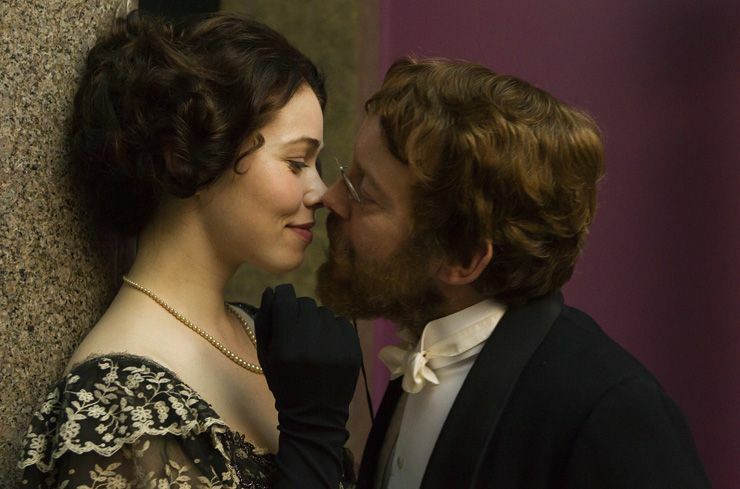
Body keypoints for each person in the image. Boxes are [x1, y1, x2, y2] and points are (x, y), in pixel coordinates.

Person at [316, 57, 710, 489]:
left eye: (364, 192)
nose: (329, 198)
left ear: (462, 259)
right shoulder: (424, 344)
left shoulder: (613, 411)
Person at [18, 11, 360, 489]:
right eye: (296, 161)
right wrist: (314, 433)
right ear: (187, 157)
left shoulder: (261, 335)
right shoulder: (118, 403)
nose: (320, 192)